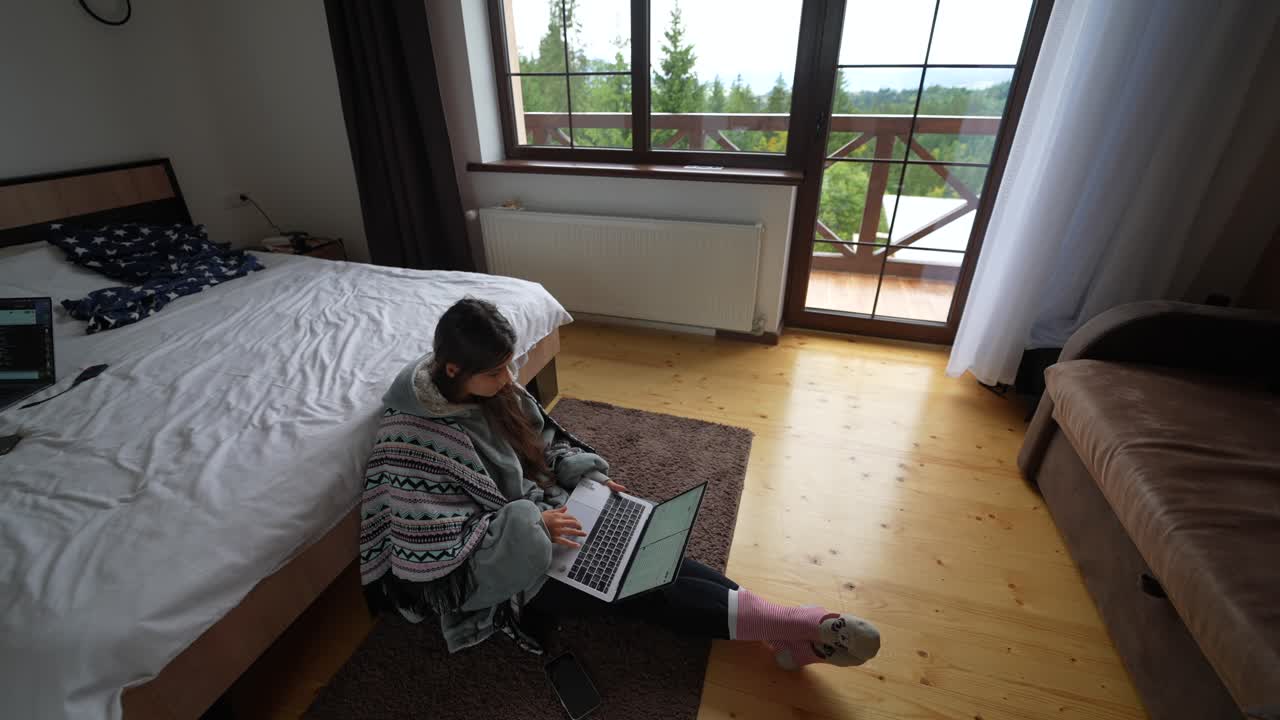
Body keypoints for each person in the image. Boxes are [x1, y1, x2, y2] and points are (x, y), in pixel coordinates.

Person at [360, 298, 880, 669]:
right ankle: (800, 627)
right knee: (644, 587)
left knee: (655, 551)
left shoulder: (493, 388)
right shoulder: (411, 438)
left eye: (508, 364)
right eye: (497, 371)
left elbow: (546, 444)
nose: (510, 378)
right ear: (454, 368)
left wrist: (583, 479)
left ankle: (789, 631)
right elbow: (428, 552)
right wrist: (532, 522)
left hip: (554, 514)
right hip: (508, 564)